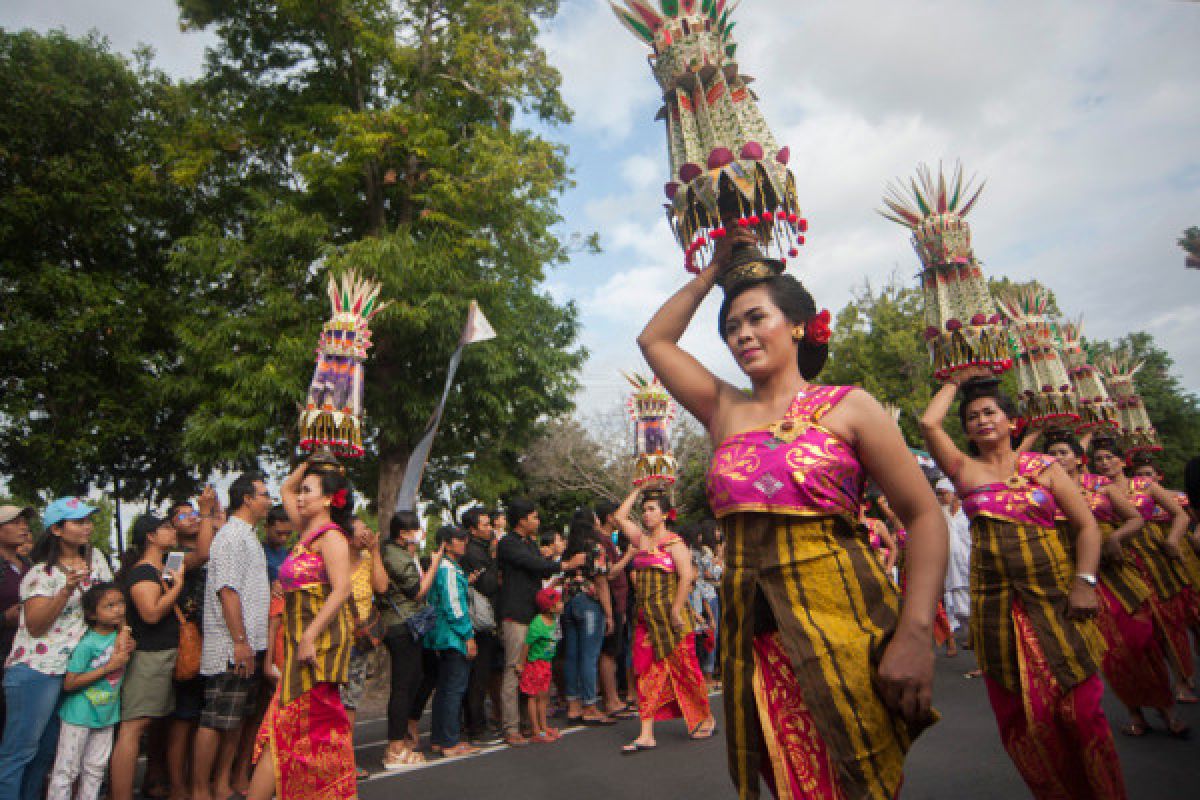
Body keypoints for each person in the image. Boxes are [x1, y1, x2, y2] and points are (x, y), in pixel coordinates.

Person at [639, 231, 944, 797]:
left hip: (846, 630)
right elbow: (655, 340)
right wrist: (713, 273)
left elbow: (923, 515)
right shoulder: (725, 409)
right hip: (754, 639)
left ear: (799, 324)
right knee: (787, 782)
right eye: (731, 328)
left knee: (857, 781)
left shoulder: (850, 406)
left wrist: (916, 634)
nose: (742, 335)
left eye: (756, 318)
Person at [921, 372, 1126, 798]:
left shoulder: (1044, 468)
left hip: (1056, 601)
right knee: (1024, 722)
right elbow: (928, 425)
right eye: (973, 416)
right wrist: (956, 382)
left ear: (1011, 422)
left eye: (990, 412)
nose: (981, 420)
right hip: (998, 611)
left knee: (1082, 713)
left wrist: (1085, 583)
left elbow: (1087, 527)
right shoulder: (962, 469)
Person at [1043, 431, 1187, 737]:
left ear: (1077, 458)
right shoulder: (1044, 493)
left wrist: (1115, 538)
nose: (1058, 458)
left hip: (1116, 572)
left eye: (1063, 452)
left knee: (1140, 640)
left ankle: (1167, 708)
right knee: (1108, 650)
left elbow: (1135, 519)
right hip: (1076, 575)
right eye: (1052, 453)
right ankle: (1136, 715)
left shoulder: (1101, 486)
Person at [248, 460, 356, 800]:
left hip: (316, 652)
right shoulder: (305, 532)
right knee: (283, 733)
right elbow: (285, 489)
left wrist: (310, 637)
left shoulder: (332, 538)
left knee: (300, 734)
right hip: (296, 648)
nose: (298, 497)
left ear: (328, 500)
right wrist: (310, 463)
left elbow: (342, 590)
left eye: (308, 491)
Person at [0, 497, 113, 800]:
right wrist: (65, 591)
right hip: (36, 671)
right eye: (78, 521)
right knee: (19, 752)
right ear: (57, 530)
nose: (87, 526)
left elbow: (110, 606)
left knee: (45, 753)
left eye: (89, 519)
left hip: (71, 671)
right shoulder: (39, 573)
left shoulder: (96, 560)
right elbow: (35, 625)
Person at [1090, 437, 1198, 703]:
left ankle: (1184, 682)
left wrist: (1173, 539)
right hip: (1120, 563)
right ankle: (1154, 689)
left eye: (1109, 458)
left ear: (1121, 460)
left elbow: (1182, 515)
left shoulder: (1145, 485)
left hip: (1155, 558)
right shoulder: (1094, 492)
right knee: (1141, 631)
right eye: (1099, 459)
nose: (1105, 464)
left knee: (1170, 623)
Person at [610, 489, 714, 754]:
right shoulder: (640, 541)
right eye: (645, 510)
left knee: (686, 671)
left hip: (672, 620)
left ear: (666, 514)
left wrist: (678, 610)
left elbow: (687, 577)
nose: (646, 514)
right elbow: (620, 516)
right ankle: (646, 733)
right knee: (645, 673)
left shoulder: (675, 543)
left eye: (652, 509)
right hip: (646, 618)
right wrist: (637, 489)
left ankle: (705, 716)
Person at [193, 473, 272, 800]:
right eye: (264, 494)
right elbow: (227, 591)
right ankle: (200, 790)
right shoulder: (230, 536)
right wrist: (239, 641)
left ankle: (221, 784)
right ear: (248, 499)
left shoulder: (248, 535)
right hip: (230, 646)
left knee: (234, 719)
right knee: (215, 719)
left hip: (249, 644)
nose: (269, 500)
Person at [110, 515, 186, 800]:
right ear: (150, 537)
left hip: (161, 655)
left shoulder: (164, 567)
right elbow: (151, 613)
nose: (173, 530)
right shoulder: (143, 572)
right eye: (166, 527)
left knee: (150, 723)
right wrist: (176, 588)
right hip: (148, 656)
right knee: (134, 726)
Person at [496, 499, 579, 747]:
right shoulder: (508, 543)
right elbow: (534, 564)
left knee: (531, 670)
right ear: (521, 520)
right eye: (534, 517)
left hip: (531, 613)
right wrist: (563, 564)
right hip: (515, 614)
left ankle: (529, 723)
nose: (537, 521)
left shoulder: (529, 543)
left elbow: (542, 569)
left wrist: (555, 565)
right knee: (514, 669)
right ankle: (510, 727)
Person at [45, 583, 133, 800]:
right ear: (92, 614)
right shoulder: (87, 644)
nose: (118, 610)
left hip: (106, 714)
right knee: (67, 771)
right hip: (79, 715)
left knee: (95, 769)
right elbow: (70, 683)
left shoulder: (122, 639)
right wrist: (108, 668)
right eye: (109, 606)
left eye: (121, 603)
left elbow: (126, 638)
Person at [161, 492, 219, 800]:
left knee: (200, 717)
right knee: (183, 719)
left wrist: (214, 515)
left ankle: (196, 777)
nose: (193, 517)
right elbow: (204, 554)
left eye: (194, 512)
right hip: (188, 645)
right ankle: (178, 787)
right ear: (171, 526)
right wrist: (208, 513)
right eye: (183, 516)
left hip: (209, 640)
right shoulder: (174, 557)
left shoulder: (208, 541)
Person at [378, 512, 439, 770]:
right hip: (400, 625)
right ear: (403, 534)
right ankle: (395, 746)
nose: (419, 534)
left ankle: (402, 736)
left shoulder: (401, 553)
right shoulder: (393, 555)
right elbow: (417, 592)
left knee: (419, 676)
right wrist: (434, 564)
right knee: (403, 685)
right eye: (416, 530)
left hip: (407, 624)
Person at [341, 518, 389, 779]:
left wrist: (375, 552)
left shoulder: (369, 559)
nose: (367, 536)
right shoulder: (333, 561)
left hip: (357, 643)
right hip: (334, 642)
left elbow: (381, 587)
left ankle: (346, 759)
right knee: (330, 704)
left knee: (350, 703)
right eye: (362, 533)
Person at [425, 525, 478, 758]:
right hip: (451, 636)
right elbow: (454, 606)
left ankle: (440, 739)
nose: (463, 542)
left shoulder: (448, 568)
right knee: (454, 689)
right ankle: (449, 741)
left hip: (444, 635)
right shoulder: (447, 569)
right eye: (459, 539)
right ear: (446, 543)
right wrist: (468, 635)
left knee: (446, 688)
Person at [458, 506, 503, 744]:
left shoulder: (480, 549)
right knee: (478, 677)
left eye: (490, 523)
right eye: (485, 525)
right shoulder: (475, 553)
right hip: (478, 620)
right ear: (472, 529)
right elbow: (488, 585)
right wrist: (494, 559)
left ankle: (474, 723)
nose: (490, 528)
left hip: (482, 619)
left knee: (480, 676)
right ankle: (476, 727)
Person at [595, 501, 635, 718]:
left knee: (613, 651)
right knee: (608, 652)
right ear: (610, 518)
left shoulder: (608, 540)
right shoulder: (601, 541)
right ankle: (610, 700)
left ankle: (614, 698)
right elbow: (609, 573)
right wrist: (628, 555)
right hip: (611, 601)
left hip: (618, 602)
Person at [0, 505, 33, 734]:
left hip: (27, 655)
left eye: (24, 521)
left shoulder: (30, 566)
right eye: (15, 522)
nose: (23, 526)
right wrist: (4, 618)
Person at [518, 587, 563, 743]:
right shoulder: (537, 623)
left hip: (546, 663)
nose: (561, 604)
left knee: (544, 696)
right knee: (533, 696)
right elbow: (527, 644)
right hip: (535, 663)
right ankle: (536, 730)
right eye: (558, 602)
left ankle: (544, 726)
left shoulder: (555, 621)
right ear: (550, 607)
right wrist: (521, 664)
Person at [935, 478, 972, 637]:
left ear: (954, 494)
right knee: (958, 609)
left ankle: (974, 635)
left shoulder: (967, 512)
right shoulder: (939, 515)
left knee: (972, 604)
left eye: (944, 494)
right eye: (939, 495)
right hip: (951, 567)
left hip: (969, 563)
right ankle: (970, 634)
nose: (941, 498)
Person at [263, 506, 293, 585]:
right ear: (266, 528)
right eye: (279, 533)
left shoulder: (289, 555)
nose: (284, 538)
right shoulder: (259, 554)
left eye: (288, 534)